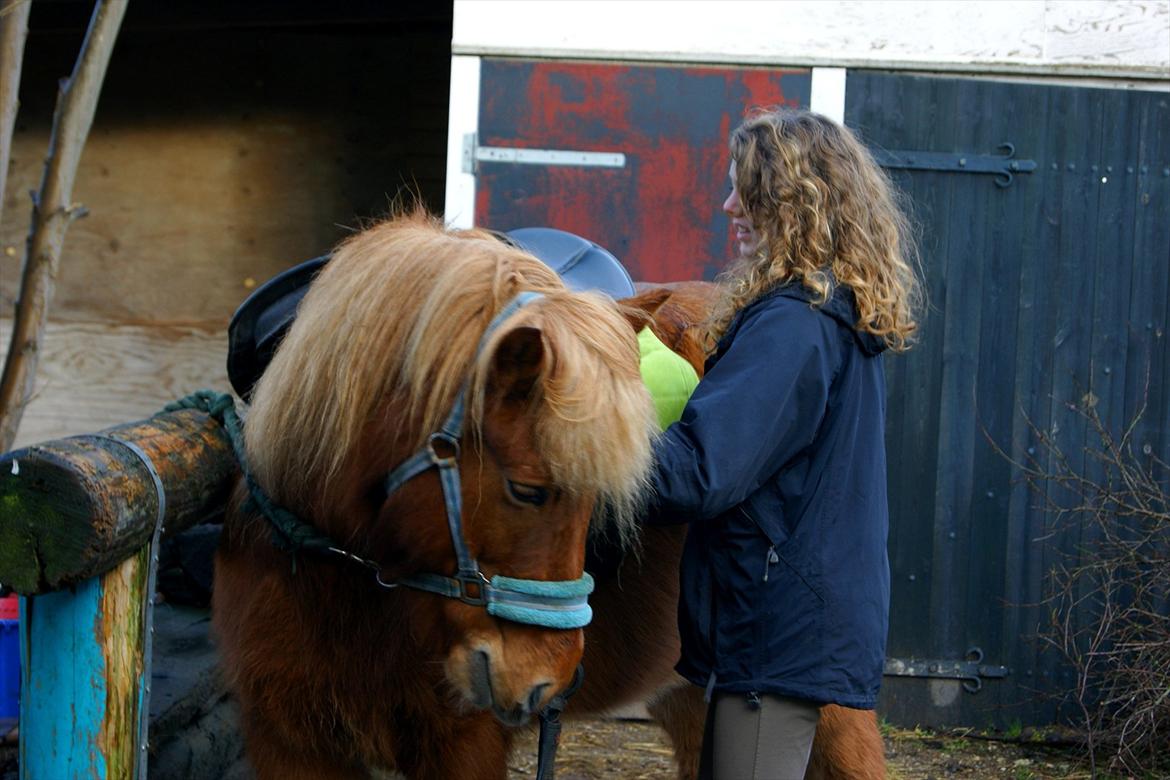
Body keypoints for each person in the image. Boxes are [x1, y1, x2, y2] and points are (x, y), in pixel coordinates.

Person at [643, 107, 922, 779]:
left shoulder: (793, 326)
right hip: (782, 622)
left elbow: (699, 473)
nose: (728, 204)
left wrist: (582, 445)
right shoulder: (822, 313)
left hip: (776, 629)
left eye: (746, 188)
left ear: (793, 199)